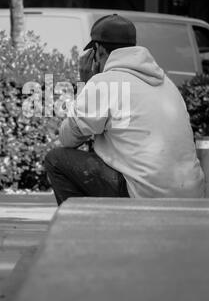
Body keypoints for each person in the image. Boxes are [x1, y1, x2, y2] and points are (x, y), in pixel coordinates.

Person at [45, 14, 205, 206]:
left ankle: (80, 229)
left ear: (99, 50)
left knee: (56, 159)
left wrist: (85, 84)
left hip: (145, 194)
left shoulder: (104, 82)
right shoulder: (166, 83)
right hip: (191, 194)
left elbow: (68, 138)